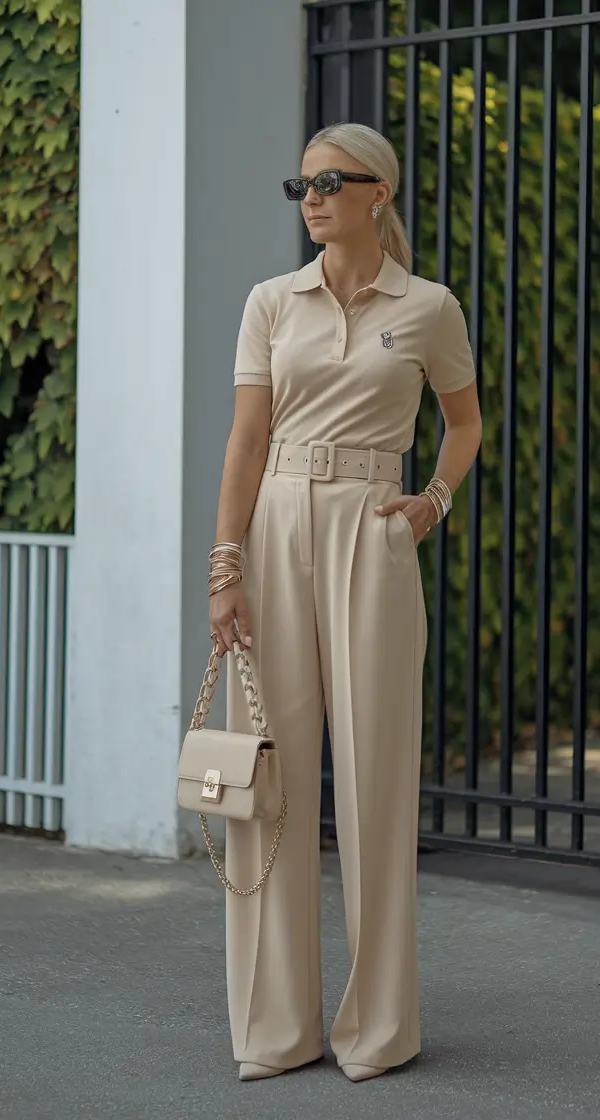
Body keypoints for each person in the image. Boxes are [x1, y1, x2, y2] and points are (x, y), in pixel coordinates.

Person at [207, 122, 482, 1083]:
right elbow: (245, 442)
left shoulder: (430, 307)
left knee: (375, 779)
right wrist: (224, 566)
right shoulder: (270, 303)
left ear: (378, 194)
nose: (311, 196)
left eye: (331, 181)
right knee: (269, 782)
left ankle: (378, 1029)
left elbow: (464, 420)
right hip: (277, 524)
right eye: (302, 183)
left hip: (374, 529)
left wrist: (432, 502)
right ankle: (276, 1028)